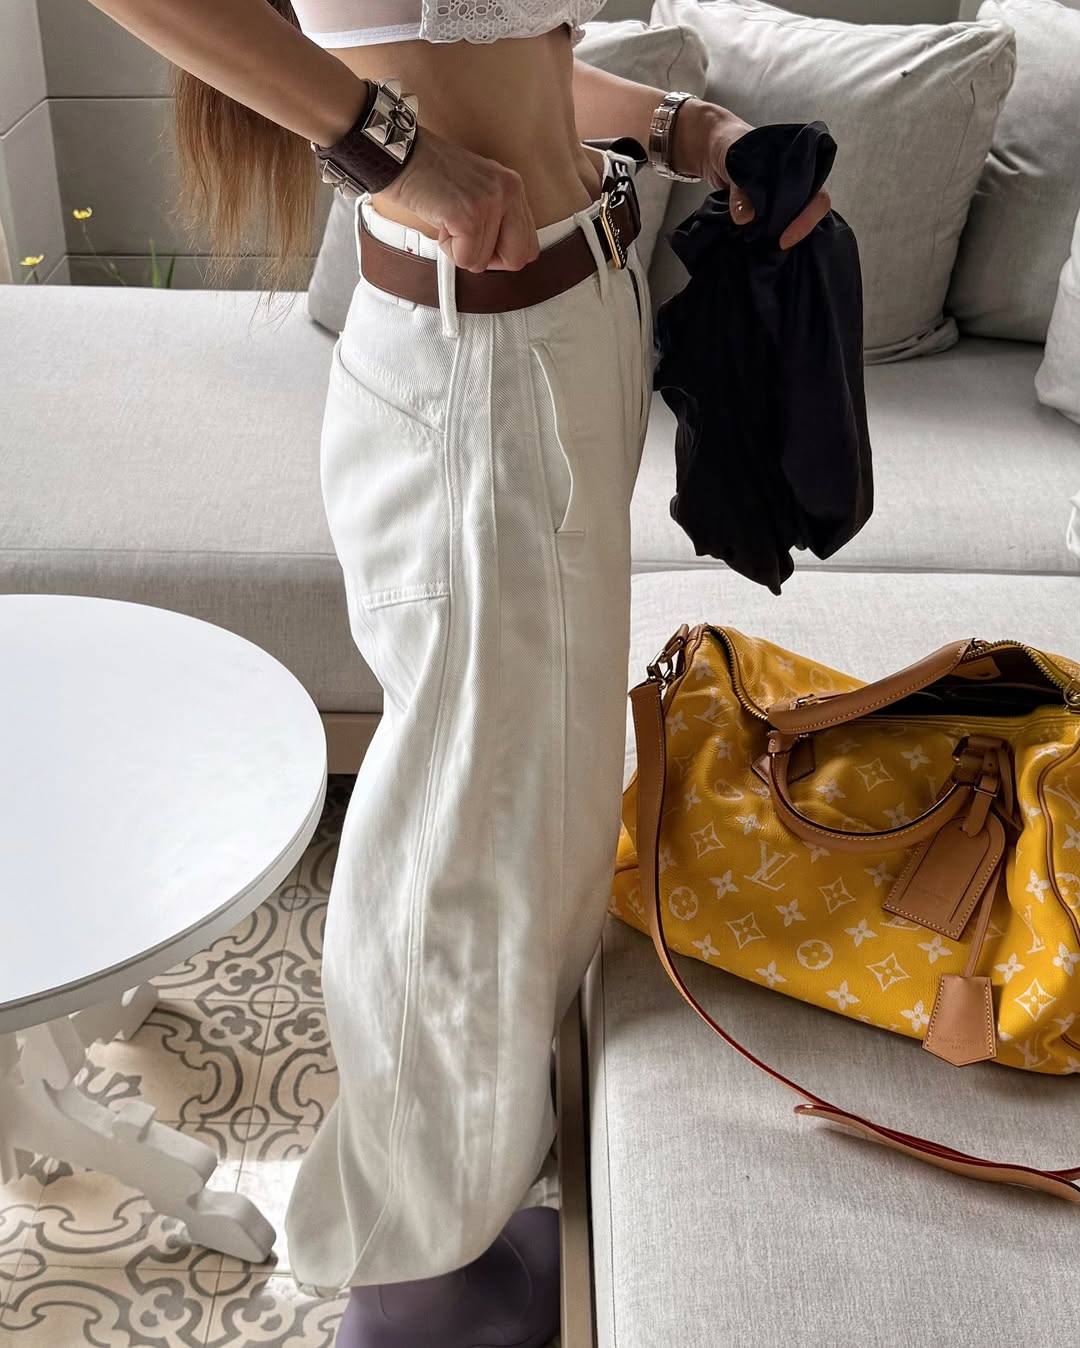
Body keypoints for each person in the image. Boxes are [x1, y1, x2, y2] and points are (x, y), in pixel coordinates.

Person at [86, 2, 829, 1343]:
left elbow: (495, 61)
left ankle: (453, 1209)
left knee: (537, 818)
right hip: (481, 341)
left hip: (565, 313)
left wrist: (674, 126)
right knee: (465, 838)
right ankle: (411, 1266)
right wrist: (387, 148)